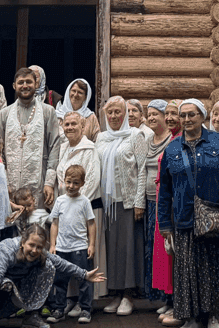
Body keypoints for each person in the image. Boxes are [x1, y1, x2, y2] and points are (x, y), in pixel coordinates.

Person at [158, 99, 219, 328]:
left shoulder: (218, 142)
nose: (187, 119)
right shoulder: (172, 148)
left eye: (192, 115)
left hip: (213, 218)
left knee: (213, 268)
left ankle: (214, 315)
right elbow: (164, 190)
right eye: (183, 115)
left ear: (202, 116)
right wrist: (165, 225)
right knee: (187, 271)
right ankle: (191, 317)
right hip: (184, 218)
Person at [0, 224, 106, 328]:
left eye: (39, 247)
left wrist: (84, 274)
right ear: (22, 242)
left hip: (17, 289)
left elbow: (61, 263)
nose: (34, 250)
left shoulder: (39, 253)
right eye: (31, 245)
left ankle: (30, 315)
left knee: (48, 265)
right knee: (5, 283)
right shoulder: (6, 250)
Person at [95, 96, 147, 317]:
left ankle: (129, 295)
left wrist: (139, 202)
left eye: (118, 112)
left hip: (127, 202)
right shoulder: (101, 137)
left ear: (126, 114)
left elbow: (143, 168)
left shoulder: (136, 135)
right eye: (110, 112)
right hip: (107, 204)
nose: (114, 116)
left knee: (128, 249)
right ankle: (115, 292)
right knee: (112, 249)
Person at [57, 111, 105, 304]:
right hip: (66, 208)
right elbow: (60, 177)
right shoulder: (62, 148)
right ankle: (71, 298)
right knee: (68, 254)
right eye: (66, 124)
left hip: (84, 209)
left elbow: (92, 181)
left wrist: (76, 203)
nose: (69, 128)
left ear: (82, 126)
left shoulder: (90, 148)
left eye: (73, 124)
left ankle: (84, 302)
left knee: (82, 255)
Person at [0, 67, 62, 210]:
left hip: (39, 181)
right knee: (13, 227)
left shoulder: (47, 111)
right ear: (14, 86)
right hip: (10, 184)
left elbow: (55, 146)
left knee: (36, 227)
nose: (25, 86)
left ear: (36, 84)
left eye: (29, 82)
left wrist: (49, 183)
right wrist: (4, 181)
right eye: (20, 82)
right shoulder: (4, 114)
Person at [47, 165, 97, 323]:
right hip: (61, 248)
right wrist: (53, 245)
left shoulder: (85, 202)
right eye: (68, 182)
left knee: (84, 280)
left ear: (82, 183)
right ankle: (59, 309)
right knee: (60, 281)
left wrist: (92, 244)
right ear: (63, 181)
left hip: (80, 248)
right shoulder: (60, 201)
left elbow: (91, 224)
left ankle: (85, 310)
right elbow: (54, 223)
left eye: (76, 183)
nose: (71, 186)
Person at [143, 100, 174, 316]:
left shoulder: (173, 139)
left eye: (156, 114)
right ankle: (166, 298)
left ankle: (173, 300)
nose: (152, 118)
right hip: (150, 201)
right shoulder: (147, 140)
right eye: (149, 114)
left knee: (168, 252)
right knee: (157, 254)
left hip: (166, 203)